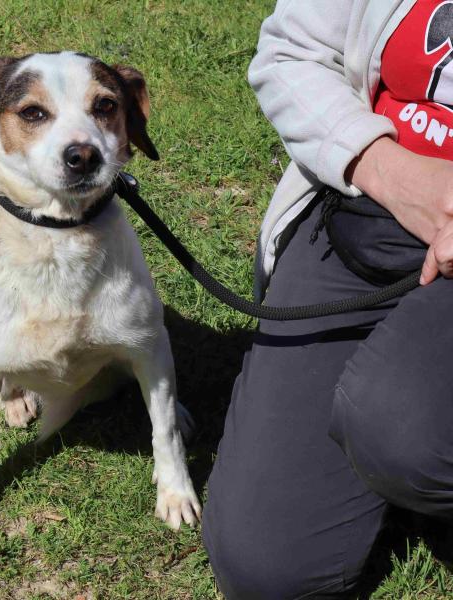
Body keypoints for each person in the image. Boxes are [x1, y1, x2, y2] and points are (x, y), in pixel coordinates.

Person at [201, 1, 453, 598]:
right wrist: (390, 172)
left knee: (400, 433)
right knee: (265, 566)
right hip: (369, 206)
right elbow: (289, 52)